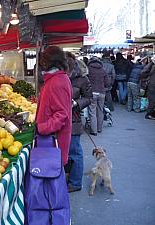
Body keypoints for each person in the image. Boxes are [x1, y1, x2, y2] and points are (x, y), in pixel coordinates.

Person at [36, 46, 72, 166]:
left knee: (51, 175)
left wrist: (41, 128)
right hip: (50, 140)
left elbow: (61, 115)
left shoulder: (57, 81)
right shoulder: (56, 78)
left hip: (52, 141)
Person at [66, 52, 92, 192]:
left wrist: (76, 103)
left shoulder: (82, 78)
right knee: (64, 151)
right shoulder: (59, 75)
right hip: (59, 119)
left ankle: (75, 183)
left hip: (74, 118)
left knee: (75, 152)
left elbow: (89, 98)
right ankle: (67, 177)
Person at [87, 57, 110, 135]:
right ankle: (99, 128)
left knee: (92, 111)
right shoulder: (102, 70)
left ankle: (94, 130)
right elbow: (107, 82)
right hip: (101, 92)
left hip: (92, 92)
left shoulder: (89, 69)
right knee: (100, 110)